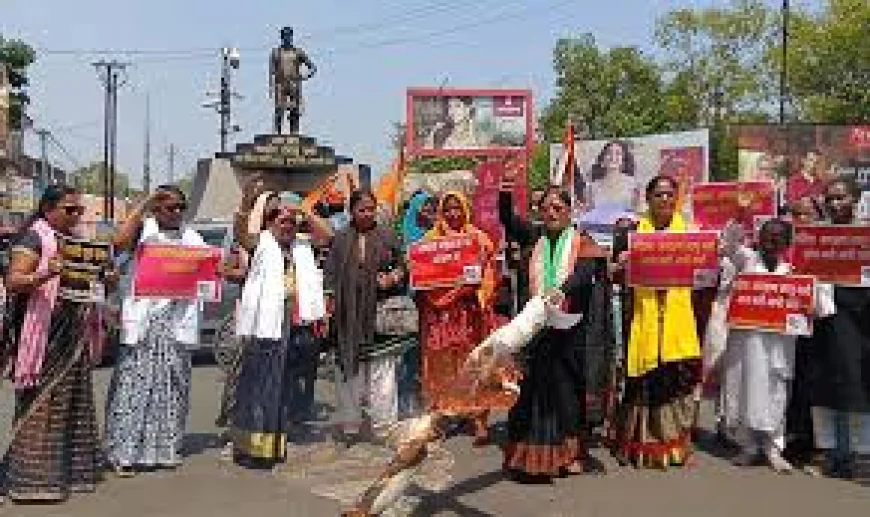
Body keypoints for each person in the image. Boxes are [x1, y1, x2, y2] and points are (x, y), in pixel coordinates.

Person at [2, 185, 105, 502]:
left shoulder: (75, 242)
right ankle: (29, 480)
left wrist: (104, 277)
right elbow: (13, 280)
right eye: (69, 209)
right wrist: (47, 272)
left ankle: (68, 474)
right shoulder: (34, 237)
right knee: (41, 403)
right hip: (43, 333)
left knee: (70, 401)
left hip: (72, 331)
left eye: (79, 210)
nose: (75, 216)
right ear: (48, 209)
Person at [502, 186, 610, 479]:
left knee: (567, 395)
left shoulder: (582, 241)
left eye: (558, 208)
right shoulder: (534, 239)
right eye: (546, 208)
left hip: (570, 330)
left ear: (569, 211)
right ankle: (528, 455)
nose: (551, 213)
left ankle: (571, 454)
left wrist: (560, 292)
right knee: (532, 394)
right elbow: (508, 221)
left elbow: (584, 274)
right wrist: (506, 191)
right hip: (537, 331)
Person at [104, 185, 205, 477]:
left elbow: (206, 274)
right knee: (134, 387)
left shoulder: (192, 238)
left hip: (175, 325)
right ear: (156, 210)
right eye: (169, 207)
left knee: (173, 388)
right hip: (145, 324)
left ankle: (164, 449)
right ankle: (123, 453)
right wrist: (144, 205)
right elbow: (119, 242)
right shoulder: (143, 232)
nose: (176, 212)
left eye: (180, 207)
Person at [610, 175, 702, 469]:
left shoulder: (689, 234)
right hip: (643, 318)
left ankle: (673, 445)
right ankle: (640, 447)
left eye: (669, 195)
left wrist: (709, 259)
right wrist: (621, 263)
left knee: (673, 382)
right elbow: (612, 274)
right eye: (658, 195)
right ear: (647, 199)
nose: (664, 200)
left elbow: (704, 278)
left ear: (676, 199)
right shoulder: (633, 232)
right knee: (643, 382)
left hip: (677, 320)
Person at [231, 197, 325, 468]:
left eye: (292, 222)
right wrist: (246, 204)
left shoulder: (302, 247)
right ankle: (253, 450)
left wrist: (305, 211)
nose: (288, 226)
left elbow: (328, 236)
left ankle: (274, 445)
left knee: (283, 391)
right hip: (266, 328)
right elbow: (242, 235)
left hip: (295, 327)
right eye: (282, 221)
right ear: (270, 223)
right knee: (260, 390)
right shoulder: (261, 243)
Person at [416, 191, 513, 446]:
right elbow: (422, 276)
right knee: (441, 367)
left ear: (466, 210)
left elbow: (491, 274)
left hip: (471, 314)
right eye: (447, 209)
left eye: (457, 208)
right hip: (442, 317)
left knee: (477, 367)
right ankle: (437, 420)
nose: (453, 214)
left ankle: (479, 422)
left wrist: (476, 285)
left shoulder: (479, 239)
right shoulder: (430, 241)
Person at [324, 189, 407, 441]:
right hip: (348, 315)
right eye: (362, 209)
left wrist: (393, 277)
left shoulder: (387, 235)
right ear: (352, 211)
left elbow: (405, 265)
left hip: (380, 312)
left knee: (382, 371)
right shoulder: (341, 239)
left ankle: (384, 427)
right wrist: (329, 306)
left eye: (371, 209)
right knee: (350, 368)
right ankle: (351, 425)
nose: (367, 214)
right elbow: (329, 275)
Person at [718, 218, 798, 473]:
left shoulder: (793, 270)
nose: (771, 242)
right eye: (766, 236)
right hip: (746, 343)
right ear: (758, 238)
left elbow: (814, 306)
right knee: (743, 391)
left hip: (778, 346)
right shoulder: (748, 260)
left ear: (787, 242)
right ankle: (748, 447)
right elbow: (729, 243)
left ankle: (774, 449)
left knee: (775, 395)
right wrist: (741, 213)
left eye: (778, 237)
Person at [809, 177, 870, 478]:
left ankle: (860, 456)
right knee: (821, 384)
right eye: (830, 199)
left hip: (857, 322)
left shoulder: (865, 236)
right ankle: (828, 452)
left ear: (855, 199)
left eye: (841, 198)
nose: (834, 204)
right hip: (820, 322)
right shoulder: (813, 236)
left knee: (855, 385)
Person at [396, 190, 437, 418]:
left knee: (431, 350)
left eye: (432, 208)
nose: (429, 212)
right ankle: (407, 399)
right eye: (424, 208)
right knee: (410, 351)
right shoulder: (407, 235)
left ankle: (430, 398)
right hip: (413, 300)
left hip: (435, 301)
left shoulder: (439, 234)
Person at [579, 140, 640, 230]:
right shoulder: (591, 187)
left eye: (618, 154)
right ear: (602, 160)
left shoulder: (634, 185)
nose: (613, 157)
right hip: (595, 235)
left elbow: (639, 212)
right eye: (609, 153)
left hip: (624, 235)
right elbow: (587, 213)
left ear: (623, 161)